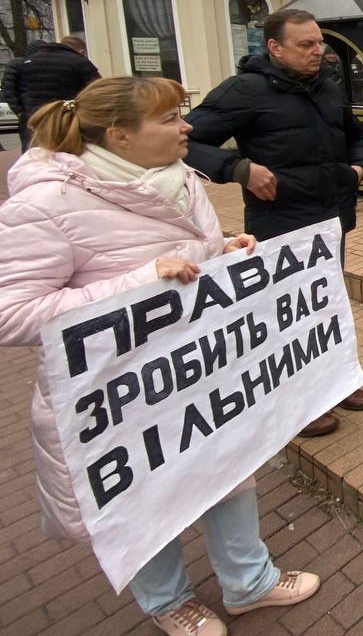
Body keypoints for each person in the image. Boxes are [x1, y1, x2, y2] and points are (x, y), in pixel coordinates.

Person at [0, 77, 319, 636]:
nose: (187, 128)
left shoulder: (184, 179)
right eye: (171, 119)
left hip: (199, 373)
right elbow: (12, 313)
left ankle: (250, 583)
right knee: (141, 497)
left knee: (228, 469)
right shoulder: (46, 203)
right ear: (121, 136)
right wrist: (137, 284)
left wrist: (222, 250)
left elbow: (190, 259)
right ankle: (169, 603)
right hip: (121, 397)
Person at [183, 8, 363, 438]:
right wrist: (239, 169)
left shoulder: (327, 87)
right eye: (305, 45)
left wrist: (358, 169)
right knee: (286, 312)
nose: (318, 52)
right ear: (274, 47)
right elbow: (185, 140)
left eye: (319, 43)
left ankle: (336, 381)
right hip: (279, 223)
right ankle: (300, 400)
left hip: (330, 219)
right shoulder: (245, 91)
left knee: (327, 302)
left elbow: (354, 133)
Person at [2, 36, 100, 150]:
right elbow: (96, 89)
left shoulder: (25, 63)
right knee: (68, 150)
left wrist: (21, 112)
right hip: (67, 116)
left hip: (34, 116)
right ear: (81, 51)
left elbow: (12, 89)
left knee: (34, 150)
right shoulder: (79, 62)